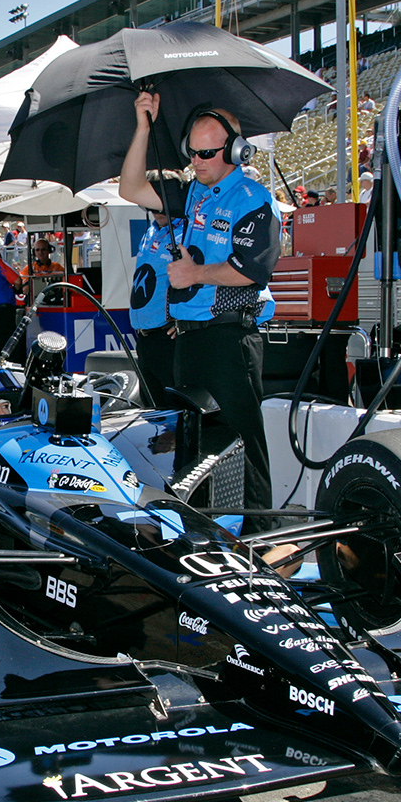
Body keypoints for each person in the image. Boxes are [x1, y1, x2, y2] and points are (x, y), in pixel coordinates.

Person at [119, 91, 280, 514]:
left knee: (243, 443)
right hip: (186, 341)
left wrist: (196, 275)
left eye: (208, 153)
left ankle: (263, 539)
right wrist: (143, 127)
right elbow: (129, 187)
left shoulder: (252, 197)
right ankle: (201, 531)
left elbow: (252, 269)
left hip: (230, 338)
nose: (198, 161)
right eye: (193, 153)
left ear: (235, 151)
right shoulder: (193, 194)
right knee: (190, 443)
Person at [125, 210, 182, 409]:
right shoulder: (151, 231)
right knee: (151, 408)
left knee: (172, 407)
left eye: (161, 205)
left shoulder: (186, 231)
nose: (157, 211)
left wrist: (183, 318)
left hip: (167, 335)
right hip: (144, 335)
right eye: (152, 205)